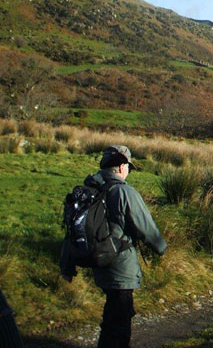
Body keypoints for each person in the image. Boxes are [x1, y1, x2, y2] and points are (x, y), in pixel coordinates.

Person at [60, 145, 167, 348]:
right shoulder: (124, 192)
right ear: (120, 166)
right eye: (128, 167)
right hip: (121, 267)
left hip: (98, 263)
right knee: (119, 323)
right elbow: (146, 227)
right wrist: (161, 248)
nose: (128, 172)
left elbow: (71, 230)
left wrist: (66, 265)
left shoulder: (90, 190)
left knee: (112, 317)